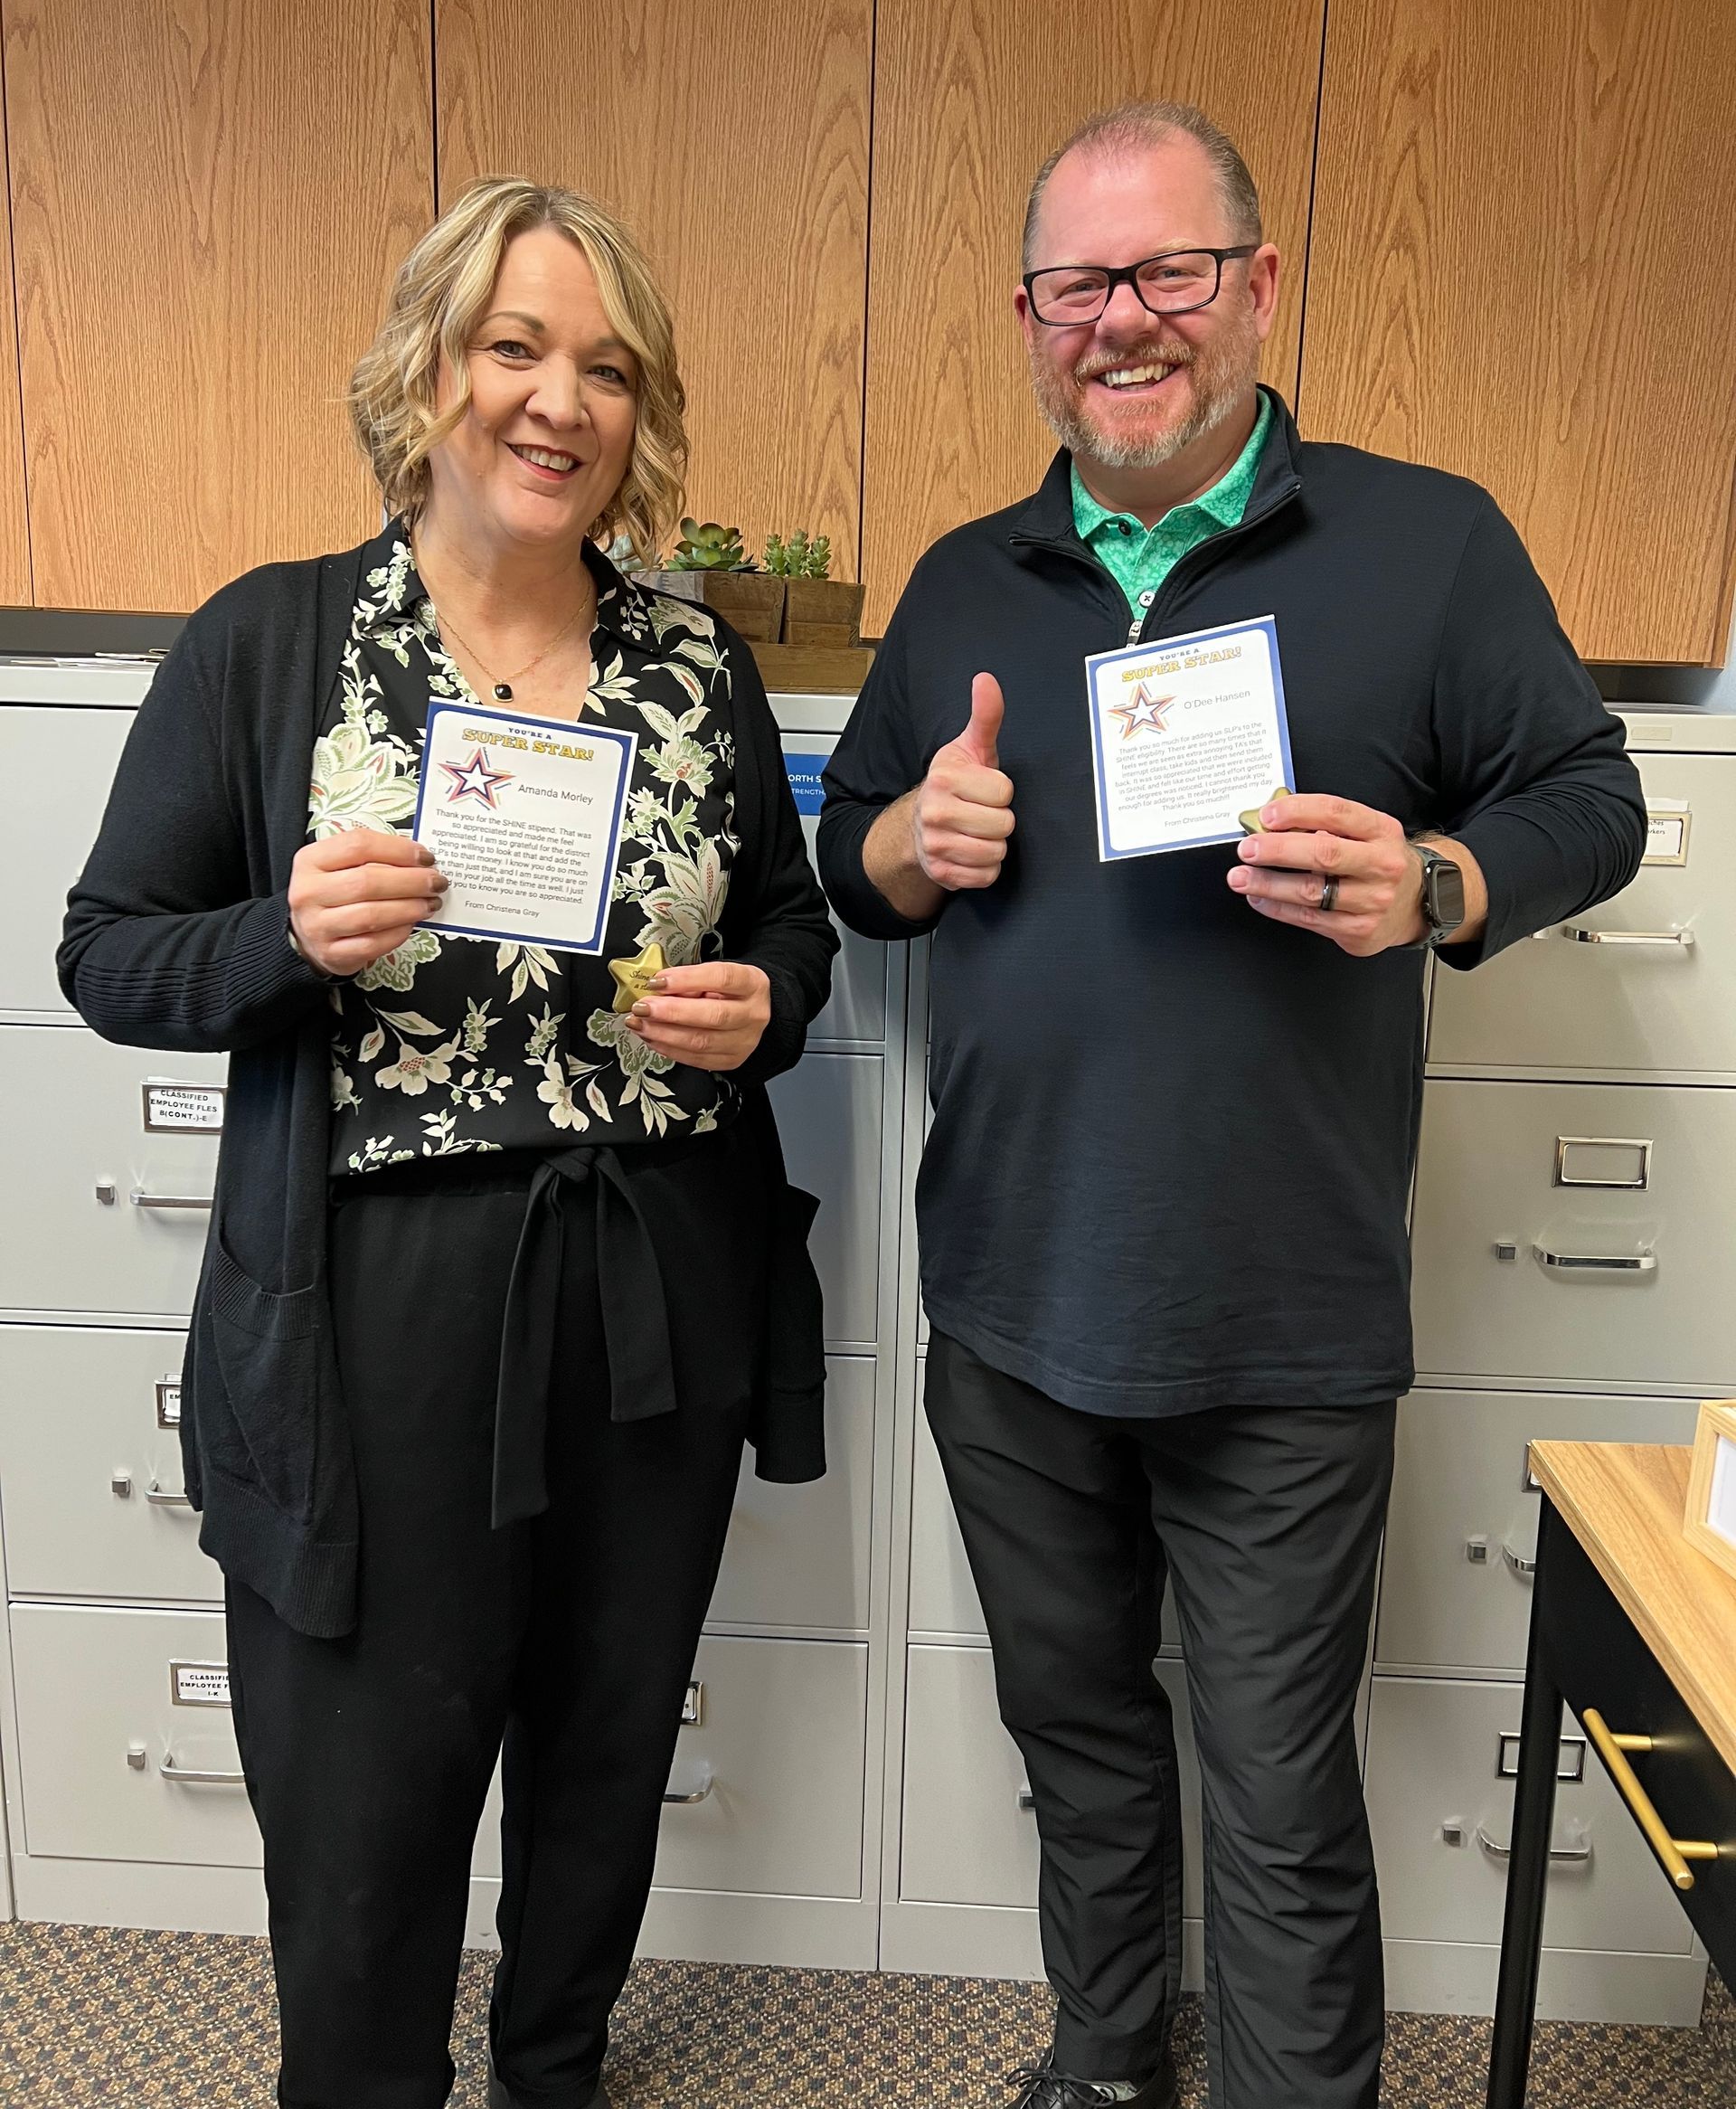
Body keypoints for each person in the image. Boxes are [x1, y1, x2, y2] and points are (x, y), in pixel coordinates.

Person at [818, 101, 1646, 2109]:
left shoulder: (1425, 541)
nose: (1124, 321)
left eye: (1167, 271)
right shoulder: (963, 580)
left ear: (1258, 287)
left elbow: (1592, 800)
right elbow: (846, 851)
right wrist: (912, 846)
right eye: (1078, 285)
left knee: (1275, 1793)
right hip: (1010, 1299)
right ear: (1029, 319)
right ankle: (1108, 2059)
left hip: (1282, 1314)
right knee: (1081, 1739)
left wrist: (1439, 881)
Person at [61, 176, 837, 2109]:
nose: (556, 401)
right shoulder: (277, 642)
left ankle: (553, 2065)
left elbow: (791, 924)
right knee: (367, 1780)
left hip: (653, 1275)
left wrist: (765, 1003)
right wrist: (281, 938)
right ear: (428, 366)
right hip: (376, 1308)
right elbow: (109, 951)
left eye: (603, 366)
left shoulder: (691, 658)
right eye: (516, 347)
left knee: (600, 1739)